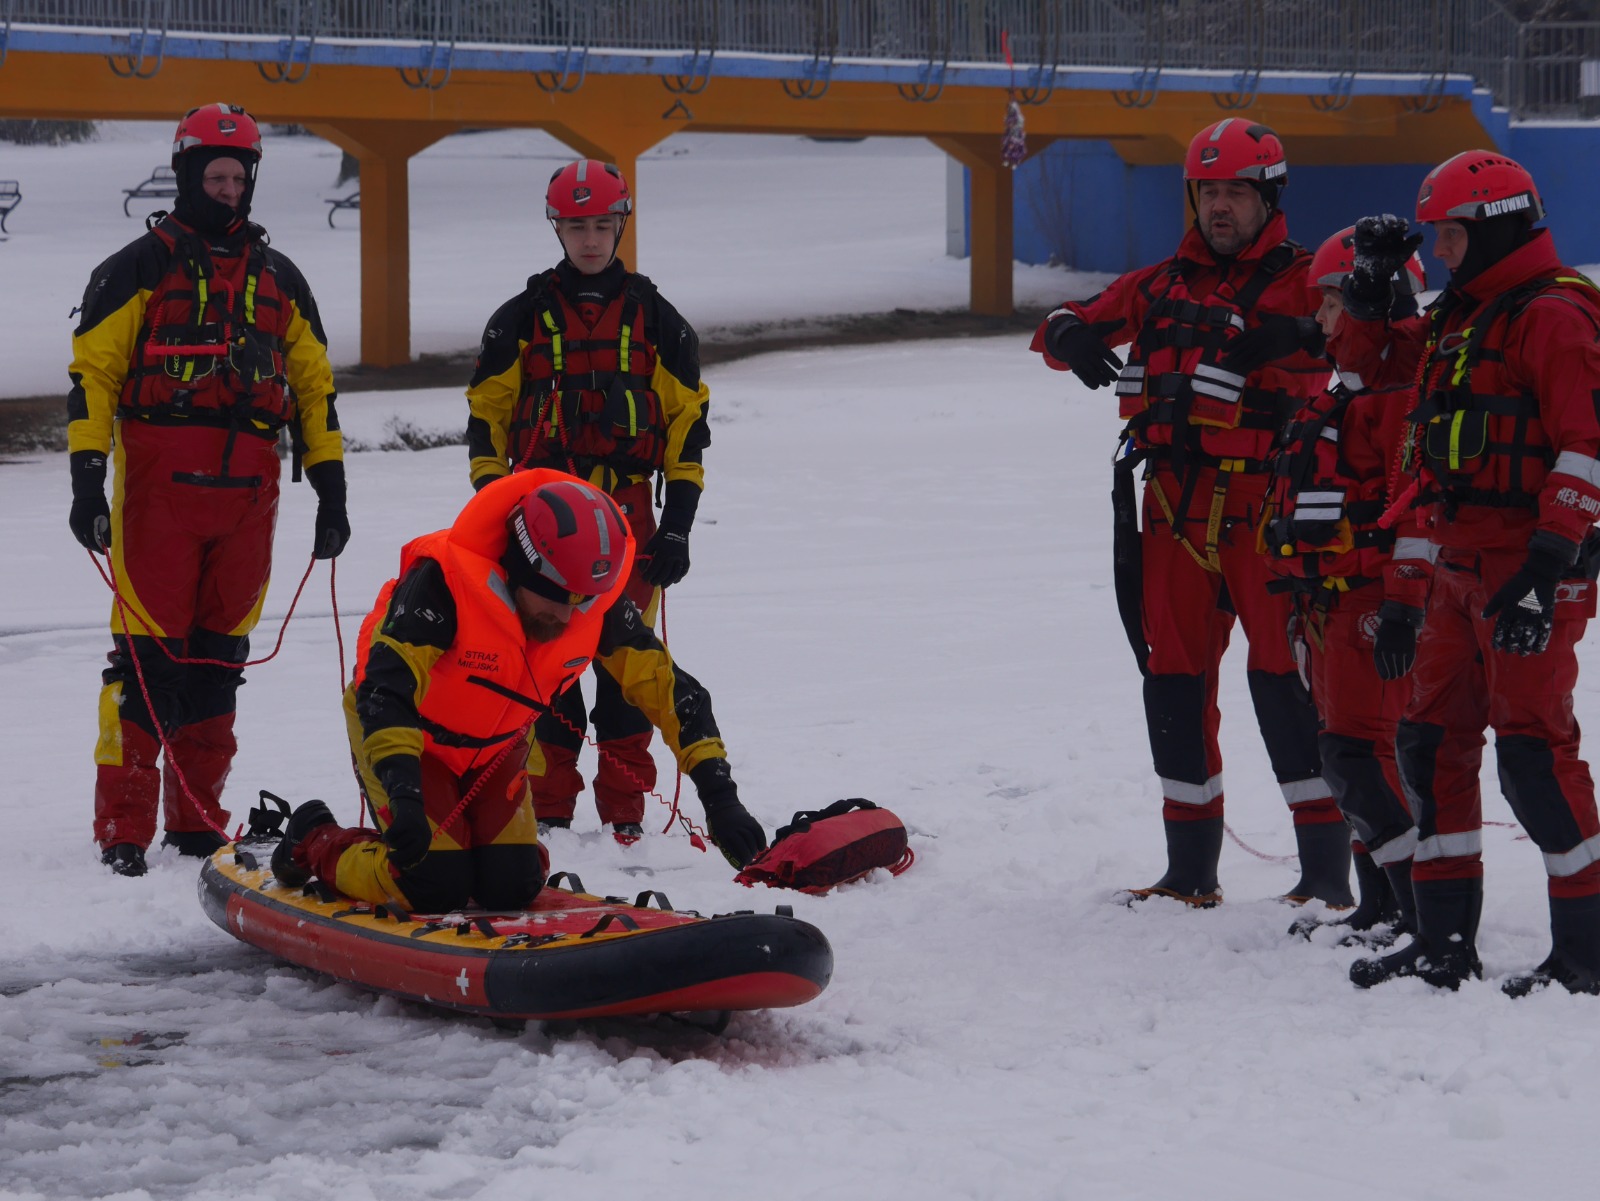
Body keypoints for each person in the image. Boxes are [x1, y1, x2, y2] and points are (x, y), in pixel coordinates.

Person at [1031, 119, 1347, 907]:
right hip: (1172, 508)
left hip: (1266, 510)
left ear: (1269, 197)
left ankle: (1324, 874)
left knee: (1285, 681)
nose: (1219, 207)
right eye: (1208, 192)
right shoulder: (1160, 285)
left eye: (1236, 191)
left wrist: (1305, 332)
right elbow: (1065, 319)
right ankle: (1190, 871)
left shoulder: (1307, 279)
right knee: (1173, 682)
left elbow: (1379, 333)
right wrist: (1067, 335)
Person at [1331, 152, 1600, 995]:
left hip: (1530, 566)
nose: (1441, 252)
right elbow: (1372, 372)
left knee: (1533, 756)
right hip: (1454, 565)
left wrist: (1547, 562)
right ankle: (1443, 939)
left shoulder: (1554, 316)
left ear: (1496, 227)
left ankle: (1587, 953)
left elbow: (1586, 447)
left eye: (1449, 236)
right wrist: (1373, 291)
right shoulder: (1462, 317)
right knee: (1428, 742)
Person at [271, 471, 767, 912]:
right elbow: (385, 688)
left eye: (580, 600)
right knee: (431, 884)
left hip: (495, 748)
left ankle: (476, 852)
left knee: (512, 885)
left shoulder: (589, 605)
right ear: (522, 566)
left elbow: (670, 689)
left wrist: (719, 797)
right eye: (554, 597)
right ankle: (313, 838)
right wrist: (402, 789)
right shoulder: (444, 584)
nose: (566, 616)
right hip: (410, 740)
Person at [68, 103, 348, 879]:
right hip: (158, 491)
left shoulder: (282, 280)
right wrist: (86, 481)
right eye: (214, 177)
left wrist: (331, 489)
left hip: (250, 495)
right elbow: (93, 378)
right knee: (146, 662)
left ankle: (197, 823)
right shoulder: (135, 268)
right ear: (187, 174)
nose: (227, 191)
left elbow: (315, 389)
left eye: (237, 178)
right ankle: (122, 828)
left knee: (219, 661)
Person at [464, 159, 711, 844]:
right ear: (557, 229)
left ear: (620, 225)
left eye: (602, 225)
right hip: (541, 518)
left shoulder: (660, 321)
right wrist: (494, 507)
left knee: (628, 671)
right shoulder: (519, 319)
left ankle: (625, 814)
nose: (591, 239)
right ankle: (548, 810)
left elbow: (688, 428)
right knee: (548, 663)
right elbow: (487, 417)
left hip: (628, 518)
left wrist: (678, 528)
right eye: (578, 227)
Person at [1258, 228, 1429, 942]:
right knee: (1344, 752)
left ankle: (1419, 907)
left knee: (1358, 755)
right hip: (1324, 603)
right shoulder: (1345, 396)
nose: (1322, 320)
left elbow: (1415, 511)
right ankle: (1380, 904)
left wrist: (1402, 606)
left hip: (1368, 602)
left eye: (1333, 304)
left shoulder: (1397, 400)